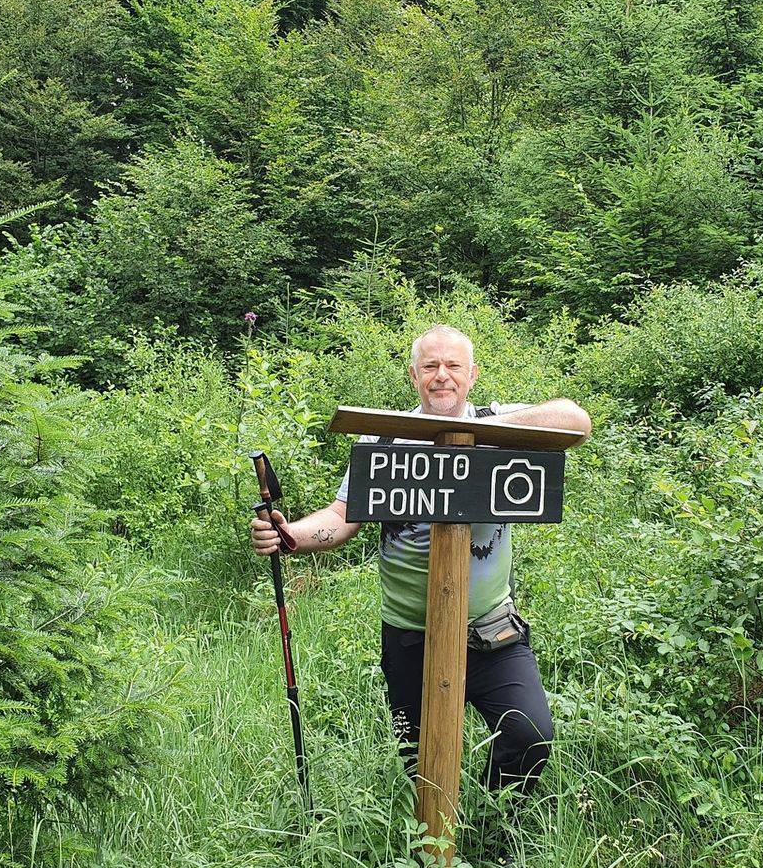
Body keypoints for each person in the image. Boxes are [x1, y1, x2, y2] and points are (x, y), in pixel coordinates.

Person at [250, 324, 591, 798]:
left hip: (492, 632)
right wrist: (291, 536)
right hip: (411, 635)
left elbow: (576, 420)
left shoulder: (501, 423)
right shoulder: (386, 443)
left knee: (529, 735)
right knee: (418, 761)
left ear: (472, 374)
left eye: (453, 366)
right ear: (414, 375)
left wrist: (488, 432)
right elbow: (344, 515)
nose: (442, 376)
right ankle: (430, 855)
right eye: (430, 366)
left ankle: (498, 828)